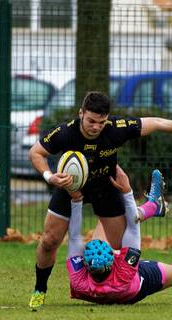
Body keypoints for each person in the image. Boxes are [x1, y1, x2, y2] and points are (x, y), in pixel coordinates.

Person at [28, 91, 170, 309]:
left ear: (108, 118)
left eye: (101, 122)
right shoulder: (65, 133)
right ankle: (40, 289)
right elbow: (35, 153)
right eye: (91, 121)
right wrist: (50, 177)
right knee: (49, 241)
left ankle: (109, 289)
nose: (95, 127)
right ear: (81, 113)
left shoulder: (116, 128)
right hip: (69, 188)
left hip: (106, 187)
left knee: (108, 250)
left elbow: (157, 122)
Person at [66, 165, 172, 305]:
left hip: (115, 284)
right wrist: (127, 191)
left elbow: (74, 237)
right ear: (114, 260)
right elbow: (133, 227)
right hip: (136, 284)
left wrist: (76, 199)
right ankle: (153, 206)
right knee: (113, 218)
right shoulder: (123, 273)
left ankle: (154, 206)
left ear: (86, 265)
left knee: (108, 220)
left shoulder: (80, 282)